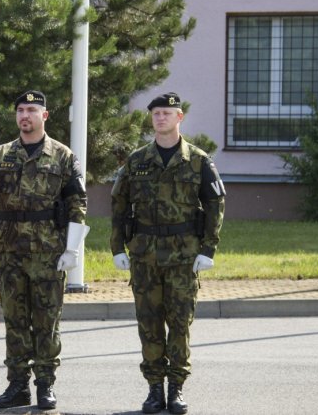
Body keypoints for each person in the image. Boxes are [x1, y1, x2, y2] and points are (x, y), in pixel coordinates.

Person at [110, 92, 225, 414]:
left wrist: (208, 248)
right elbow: (119, 205)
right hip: (145, 255)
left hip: (184, 254)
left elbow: (216, 204)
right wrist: (117, 247)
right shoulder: (136, 161)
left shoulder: (198, 160)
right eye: (156, 113)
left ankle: (176, 388)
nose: (161, 118)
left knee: (179, 324)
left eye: (167, 113)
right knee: (148, 323)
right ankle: (153, 389)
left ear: (179, 117)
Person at [0, 90, 88, 410]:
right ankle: (18, 385)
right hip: (10, 251)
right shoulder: (1, 154)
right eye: (21, 110)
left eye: (32, 110)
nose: (25, 115)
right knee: (15, 320)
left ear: (44, 116)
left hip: (48, 253)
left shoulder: (62, 155)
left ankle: (46, 384)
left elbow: (77, 202)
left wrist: (73, 249)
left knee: (47, 321)